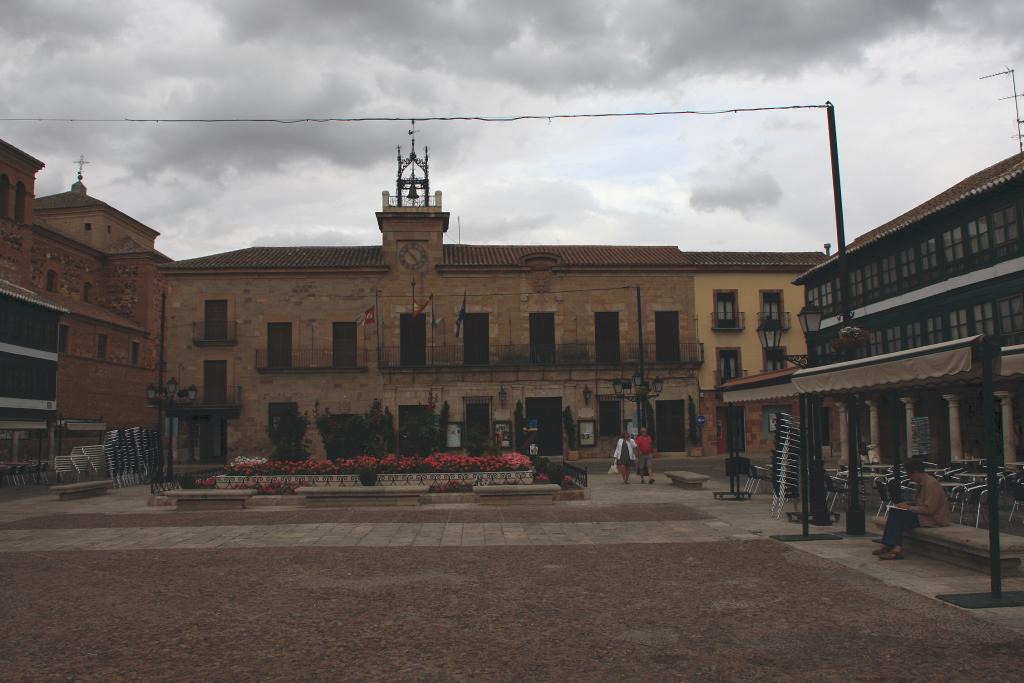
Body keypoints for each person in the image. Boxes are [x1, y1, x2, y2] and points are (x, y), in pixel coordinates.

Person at [875, 458, 949, 560]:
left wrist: (909, 508)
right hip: (923, 515)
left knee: (899, 516)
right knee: (895, 512)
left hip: (933, 518)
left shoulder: (931, 484)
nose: (909, 478)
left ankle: (897, 549)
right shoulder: (921, 483)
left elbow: (929, 509)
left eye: (909, 475)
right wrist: (907, 504)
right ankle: (888, 544)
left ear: (916, 472)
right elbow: (921, 503)